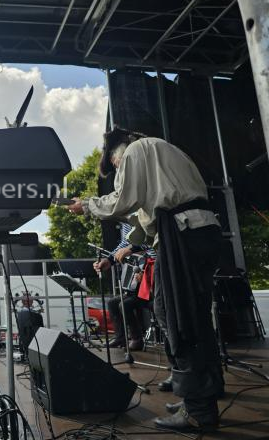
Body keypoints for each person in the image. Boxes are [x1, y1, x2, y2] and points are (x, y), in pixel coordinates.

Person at [69, 127, 223, 432]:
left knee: (175, 316)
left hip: (181, 234)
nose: (119, 169)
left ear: (118, 153)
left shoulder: (135, 151)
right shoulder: (167, 150)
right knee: (197, 318)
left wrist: (87, 205)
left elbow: (123, 199)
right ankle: (206, 391)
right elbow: (143, 215)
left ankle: (198, 410)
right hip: (201, 229)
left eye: (116, 165)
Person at [94, 222, 155, 351]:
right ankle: (121, 337)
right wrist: (110, 260)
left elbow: (146, 239)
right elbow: (126, 242)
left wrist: (131, 249)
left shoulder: (133, 217)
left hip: (153, 279)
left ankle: (137, 339)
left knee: (124, 304)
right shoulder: (124, 222)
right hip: (139, 288)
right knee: (112, 302)